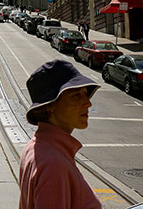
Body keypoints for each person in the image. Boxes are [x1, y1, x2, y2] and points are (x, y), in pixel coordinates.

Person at [19, 60, 101, 209]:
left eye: (85, 94)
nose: (88, 103)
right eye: (76, 96)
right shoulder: (54, 164)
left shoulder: (37, 146)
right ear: (49, 107)